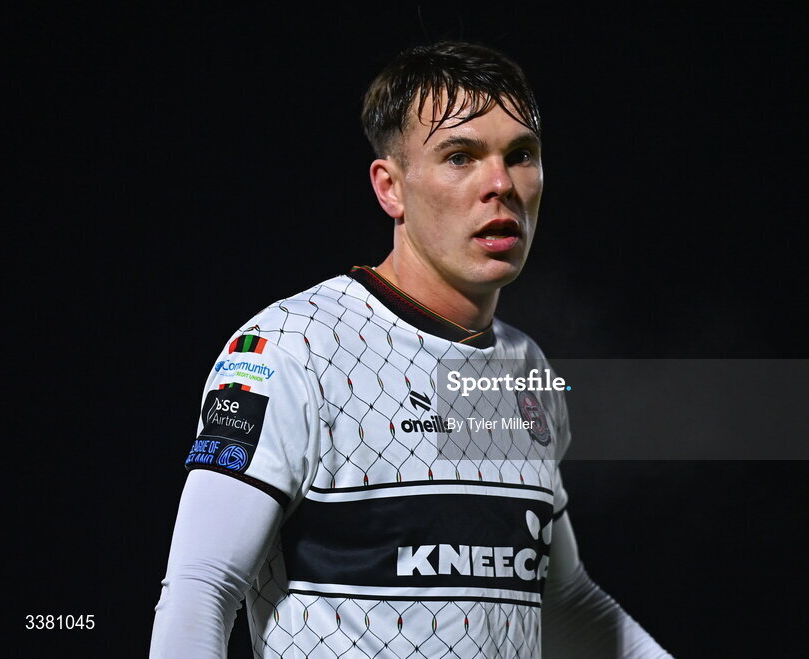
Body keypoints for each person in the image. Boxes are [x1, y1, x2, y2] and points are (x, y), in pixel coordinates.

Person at [150, 41, 674, 658]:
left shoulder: (522, 370)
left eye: (520, 155)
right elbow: (201, 590)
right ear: (390, 188)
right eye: (460, 157)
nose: (501, 184)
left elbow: (561, 602)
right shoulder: (291, 350)